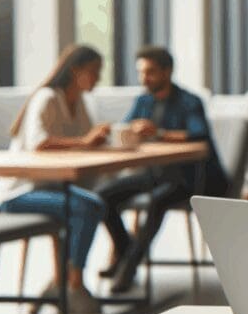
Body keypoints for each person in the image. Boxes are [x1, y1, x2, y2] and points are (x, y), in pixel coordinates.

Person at [95, 46, 230, 293]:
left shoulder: (190, 101)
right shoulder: (143, 100)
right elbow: (128, 127)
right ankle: (127, 252)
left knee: (157, 202)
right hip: (156, 174)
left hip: (194, 178)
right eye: (141, 73)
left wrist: (157, 133)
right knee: (102, 196)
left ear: (167, 71)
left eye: (150, 72)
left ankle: (127, 268)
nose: (144, 79)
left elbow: (198, 136)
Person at [0, 45, 111, 314]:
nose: (97, 78)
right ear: (75, 70)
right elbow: (39, 143)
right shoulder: (46, 98)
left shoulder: (78, 102)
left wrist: (99, 138)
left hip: (50, 187)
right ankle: (74, 283)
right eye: (93, 72)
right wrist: (85, 141)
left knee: (94, 204)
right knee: (85, 207)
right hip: (19, 192)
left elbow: (85, 143)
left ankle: (60, 282)